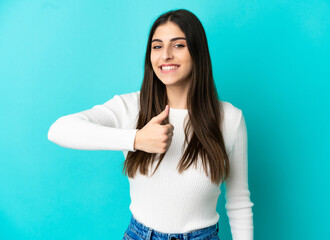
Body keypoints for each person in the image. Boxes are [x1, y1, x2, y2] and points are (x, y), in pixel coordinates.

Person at [47, 9, 254, 240]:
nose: (165, 55)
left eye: (178, 45)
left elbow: (239, 203)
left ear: (197, 52)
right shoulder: (130, 107)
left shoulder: (230, 118)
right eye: (157, 46)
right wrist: (136, 139)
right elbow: (58, 130)